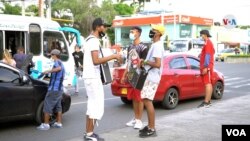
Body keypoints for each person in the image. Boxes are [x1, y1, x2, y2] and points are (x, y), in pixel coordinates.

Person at [82, 18, 122, 141]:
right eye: (104, 27)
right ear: (98, 27)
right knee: (96, 107)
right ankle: (89, 134)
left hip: (89, 77)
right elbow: (96, 61)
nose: (105, 29)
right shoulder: (94, 41)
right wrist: (113, 56)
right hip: (93, 78)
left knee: (91, 106)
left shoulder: (88, 39)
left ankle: (89, 133)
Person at [138, 24, 165, 138]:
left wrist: (145, 62)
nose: (151, 31)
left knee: (147, 101)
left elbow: (158, 64)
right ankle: (150, 126)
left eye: (154, 30)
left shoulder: (157, 46)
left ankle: (152, 128)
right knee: (145, 100)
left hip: (152, 77)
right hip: (149, 76)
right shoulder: (155, 45)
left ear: (159, 33)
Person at [121, 26, 148, 129]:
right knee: (133, 97)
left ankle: (139, 120)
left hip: (140, 75)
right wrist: (124, 75)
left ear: (138, 33)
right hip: (131, 74)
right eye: (131, 31)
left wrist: (141, 63)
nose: (131, 33)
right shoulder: (130, 47)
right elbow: (128, 62)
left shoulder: (144, 47)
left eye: (133, 31)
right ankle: (135, 118)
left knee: (139, 98)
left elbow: (145, 62)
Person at [37, 49, 65, 130]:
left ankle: (46, 124)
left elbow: (58, 69)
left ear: (54, 55)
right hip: (59, 89)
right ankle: (59, 123)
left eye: (51, 55)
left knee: (47, 105)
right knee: (58, 106)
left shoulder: (58, 62)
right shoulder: (60, 62)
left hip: (54, 89)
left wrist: (48, 71)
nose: (51, 56)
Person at [197, 29, 215, 108]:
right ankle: (208, 101)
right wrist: (201, 55)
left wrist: (205, 67)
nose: (201, 36)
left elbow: (208, 56)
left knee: (207, 84)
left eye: (201, 35)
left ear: (204, 35)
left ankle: (206, 102)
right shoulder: (208, 43)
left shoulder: (208, 43)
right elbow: (210, 53)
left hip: (207, 67)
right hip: (208, 66)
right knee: (209, 84)